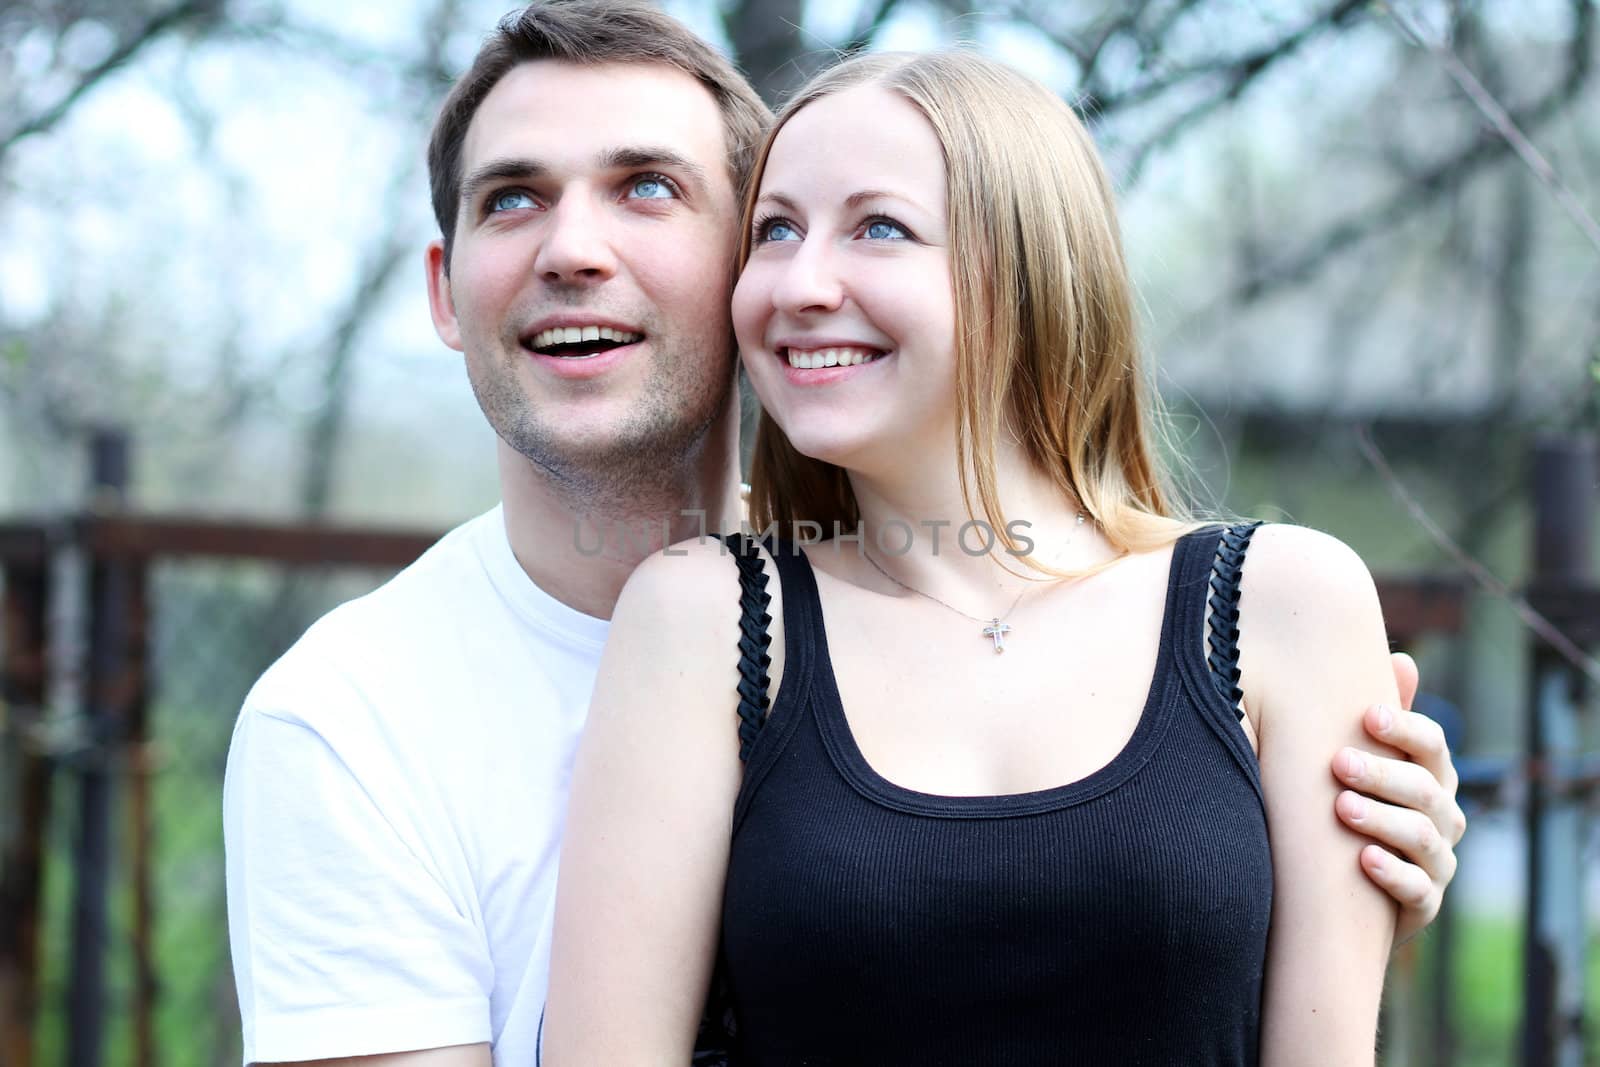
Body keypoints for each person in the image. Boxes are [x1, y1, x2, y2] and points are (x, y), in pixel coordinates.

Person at [222, 4, 1465, 1065]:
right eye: (514, 200)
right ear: (445, 289)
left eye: (648, 188)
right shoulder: (355, 718)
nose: (575, 249)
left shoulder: (1272, 604)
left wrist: (1290, 868)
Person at [541, 48, 1446, 1065]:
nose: (800, 281)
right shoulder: (700, 616)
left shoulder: (1282, 600)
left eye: (877, 226)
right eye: (775, 230)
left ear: (1026, 268)